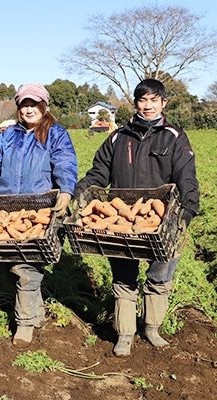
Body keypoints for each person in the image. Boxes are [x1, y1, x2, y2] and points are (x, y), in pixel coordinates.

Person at [75, 78, 199, 357]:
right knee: (124, 277)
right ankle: (125, 333)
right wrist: (80, 192)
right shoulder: (118, 137)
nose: (148, 106)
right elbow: (98, 173)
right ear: (135, 104)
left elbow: (186, 177)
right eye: (143, 100)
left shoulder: (174, 136)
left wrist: (187, 211)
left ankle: (151, 328)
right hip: (121, 219)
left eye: (154, 100)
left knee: (160, 275)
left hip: (162, 220)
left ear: (163, 103)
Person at [0, 83, 78, 344]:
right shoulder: (7, 136)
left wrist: (65, 190)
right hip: (6, 208)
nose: (28, 109)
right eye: (24, 105)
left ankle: (25, 323)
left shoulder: (55, 134)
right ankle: (35, 313)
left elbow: (65, 162)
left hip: (39, 208)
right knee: (11, 263)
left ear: (44, 106)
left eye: (33, 104)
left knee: (26, 265)